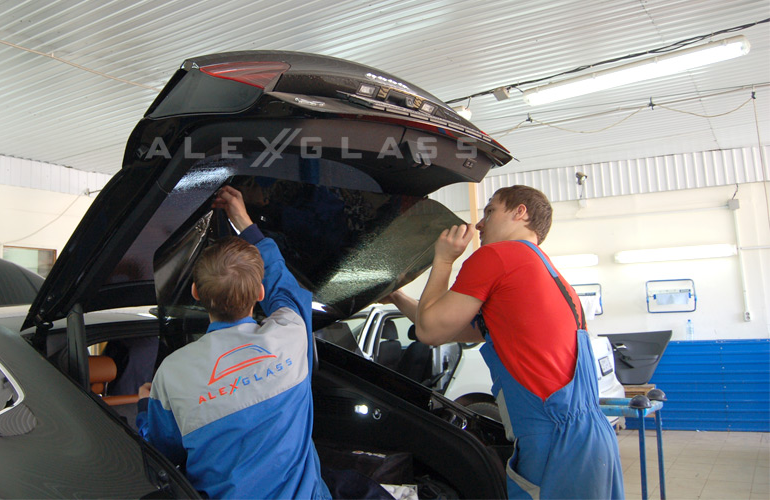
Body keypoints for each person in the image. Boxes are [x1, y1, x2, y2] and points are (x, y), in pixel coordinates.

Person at [386, 185, 623, 499]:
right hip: (592, 440)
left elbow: (431, 332)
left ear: (520, 212)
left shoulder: (498, 255)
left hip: (554, 443)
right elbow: (451, 326)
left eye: (490, 211)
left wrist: (442, 260)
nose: (480, 224)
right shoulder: (542, 272)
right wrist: (397, 296)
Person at [137, 185, 331, 500]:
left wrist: (146, 407)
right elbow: (283, 284)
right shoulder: (291, 334)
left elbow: (162, 458)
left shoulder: (171, 374)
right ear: (260, 293)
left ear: (196, 292)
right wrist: (244, 222)